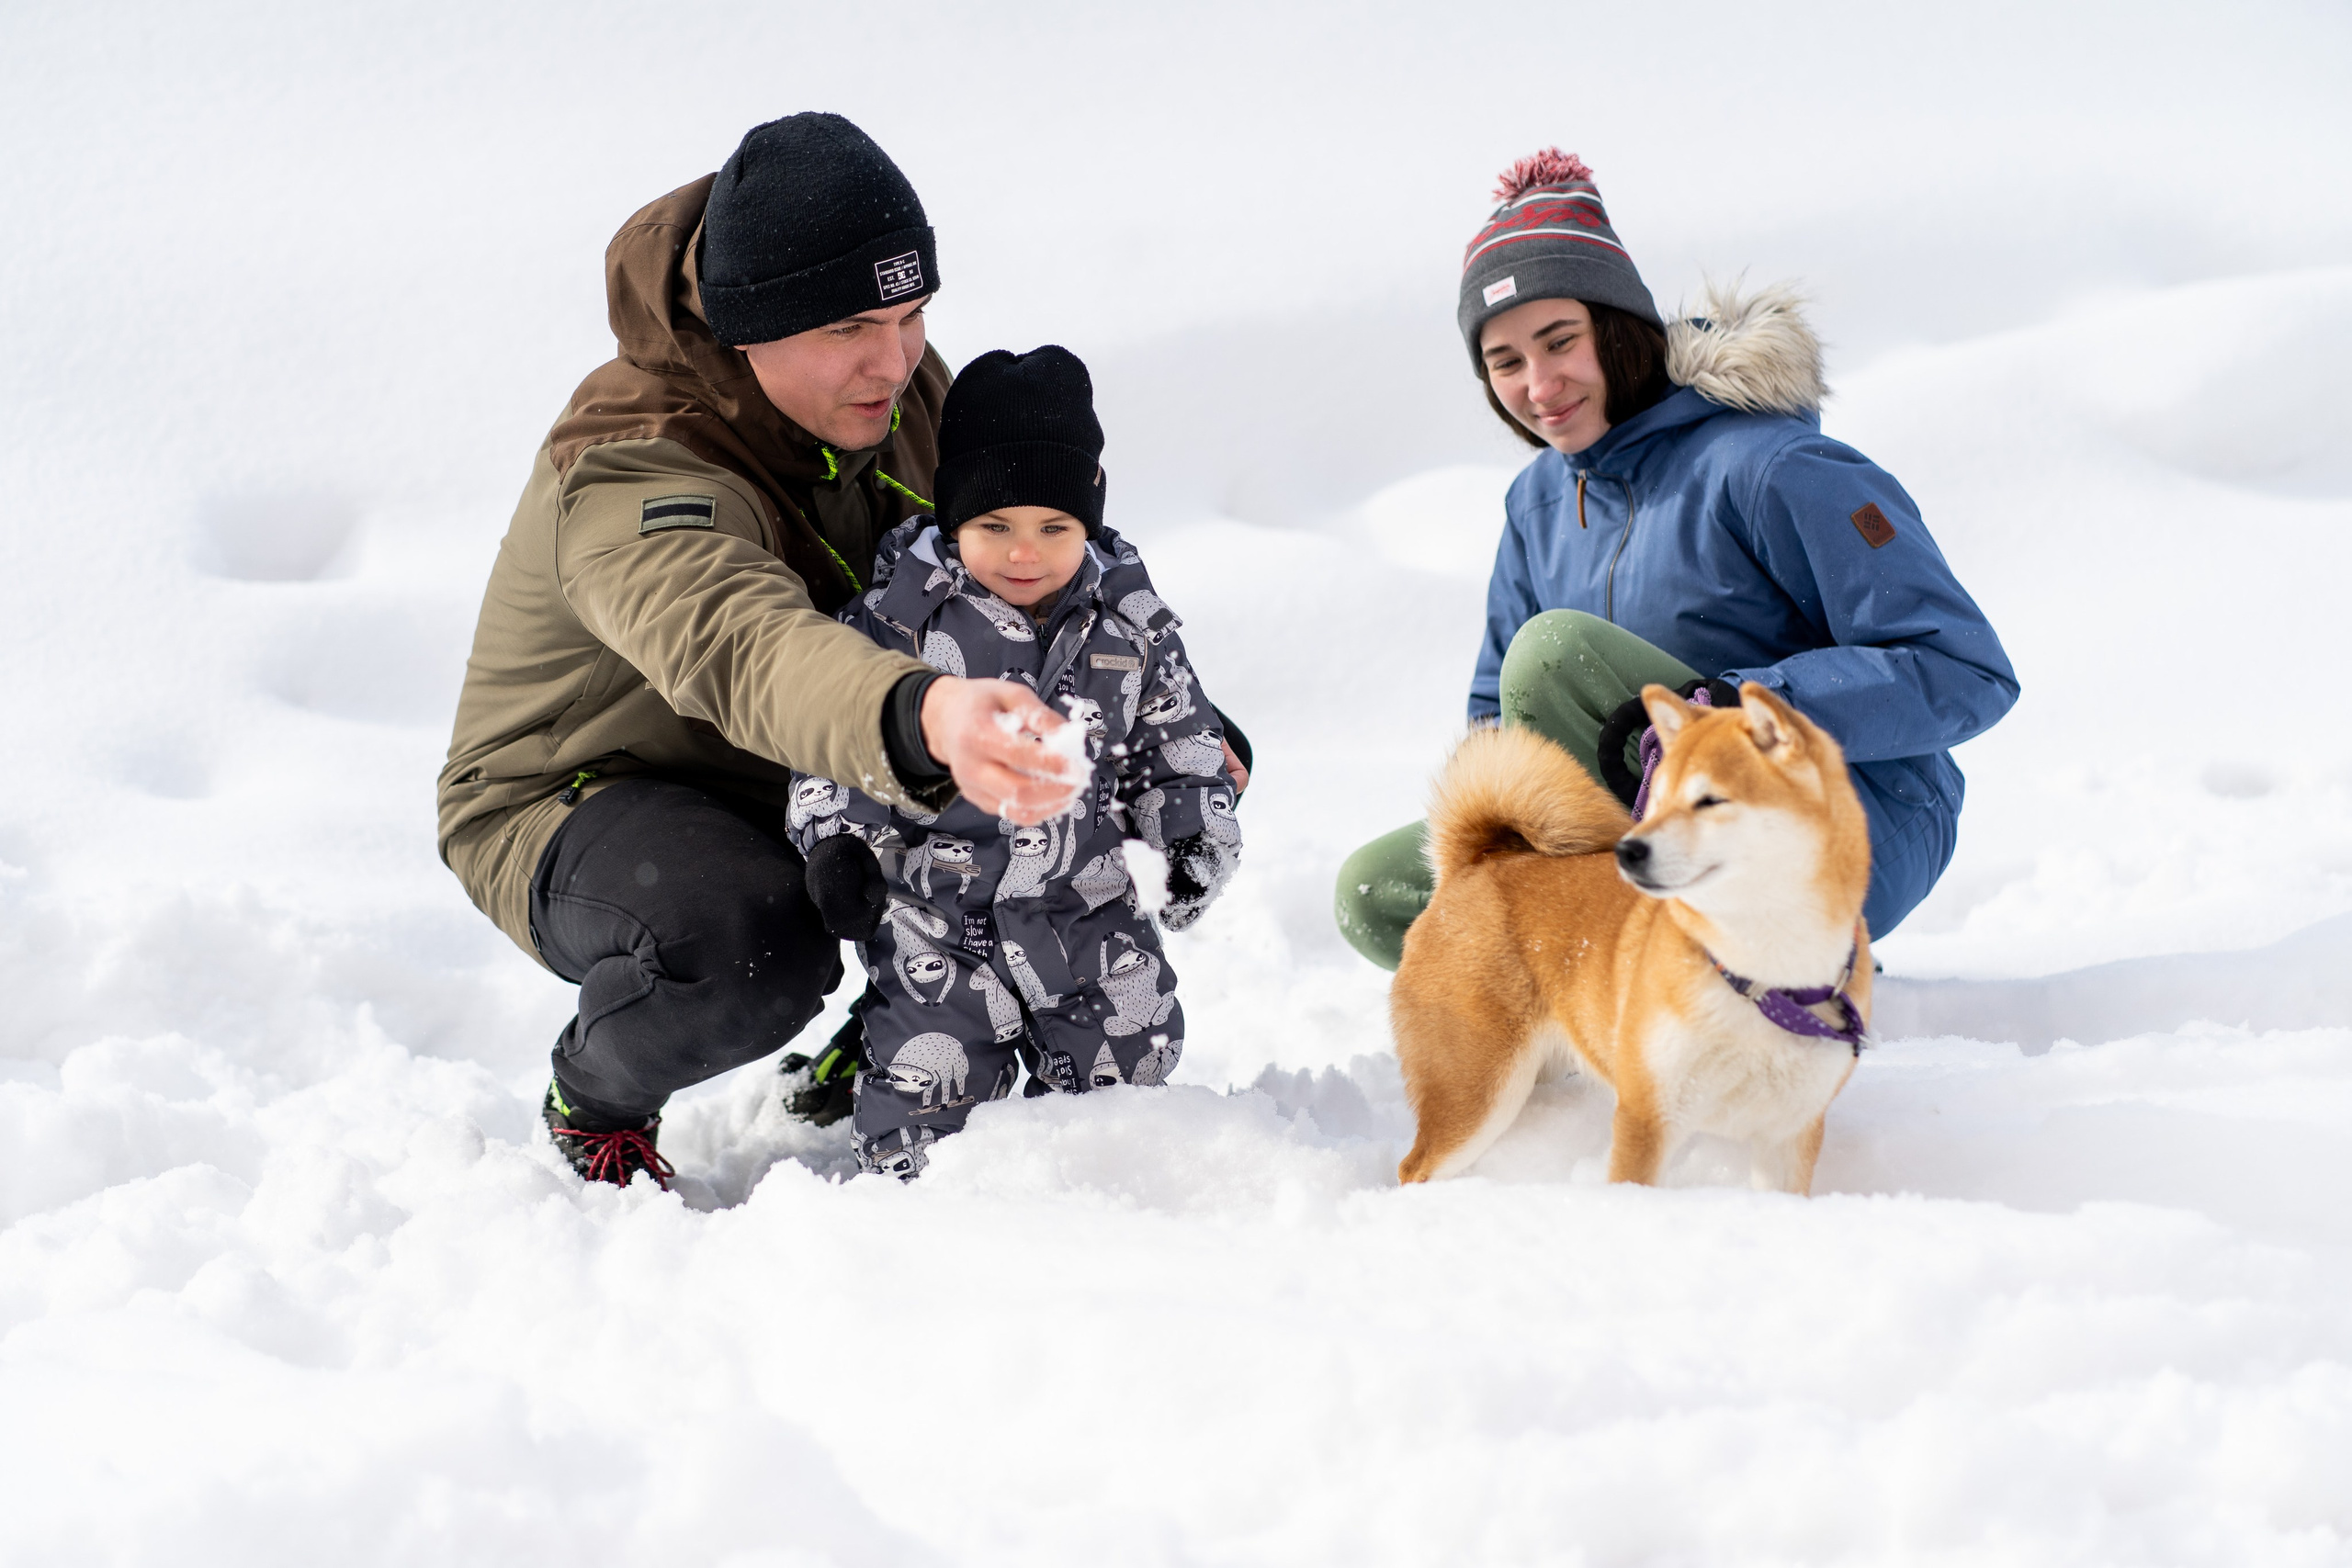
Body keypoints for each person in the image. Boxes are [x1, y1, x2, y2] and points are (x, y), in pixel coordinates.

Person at [437, 113, 1091, 1188]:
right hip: (579, 796)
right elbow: (742, 645)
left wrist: (1166, 719)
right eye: (848, 329)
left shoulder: (900, 394)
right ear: (750, 329)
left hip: (811, 765)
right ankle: (593, 1095)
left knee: (1075, 808)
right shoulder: (636, 460)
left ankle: (898, 1023)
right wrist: (928, 716)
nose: (895, 360)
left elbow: (1037, 560)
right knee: (750, 944)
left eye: (914, 314)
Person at [1334, 150, 2018, 969]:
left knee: (1555, 656)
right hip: (1656, 838)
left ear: (1619, 331)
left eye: (1560, 341)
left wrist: (1732, 710)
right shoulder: (1536, 505)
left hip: (1856, 815)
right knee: (1389, 896)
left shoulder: (1767, 466)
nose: (1540, 383)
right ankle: (1626, 996)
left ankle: (1719, 969)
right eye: (1506, 361)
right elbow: (1496, 717)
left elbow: (1964, 670)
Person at [786, 345, 1242, 1180]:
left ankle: (1097, 1208)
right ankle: (909, 1222)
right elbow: (838, 744)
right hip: (940, 919)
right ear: (953, 515)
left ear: (1089, 521)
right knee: (926, 1104)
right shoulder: (898, 623)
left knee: (1130, 1071)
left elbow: (1178, 747)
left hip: (1087, 909)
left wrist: (1190, 841)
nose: (1024, 552)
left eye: (1054, 528)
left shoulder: (1130, 627)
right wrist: (839, 845)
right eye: (995, 525)